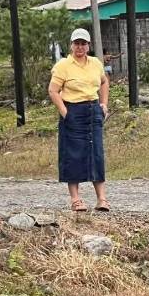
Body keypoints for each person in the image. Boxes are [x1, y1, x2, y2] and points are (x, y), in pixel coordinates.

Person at [48, 28, 110, 212]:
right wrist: (65, 112)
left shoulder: (95, 63)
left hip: (93, 110)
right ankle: (76, 199)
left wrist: (104, 104)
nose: (80, 47)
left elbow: (104, 82)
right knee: (73, 154)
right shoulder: (63, 65)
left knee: (96, 153)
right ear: (71, 45)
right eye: (77, 43)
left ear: (88, 45)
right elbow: (53, 90)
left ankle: (102, 199)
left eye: (83, 43)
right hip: (73, 110)